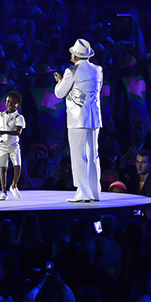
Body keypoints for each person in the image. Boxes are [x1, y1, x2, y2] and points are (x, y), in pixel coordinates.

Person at [54, 39, 103, 203]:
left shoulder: (71, 71)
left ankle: (83, 192)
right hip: (94, 117)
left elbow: (59, 93)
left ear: (76, 55)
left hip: (77, 118)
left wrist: (60, 81)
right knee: (93, 154)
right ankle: (94, 192)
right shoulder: (98, 70)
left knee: (78, 155)